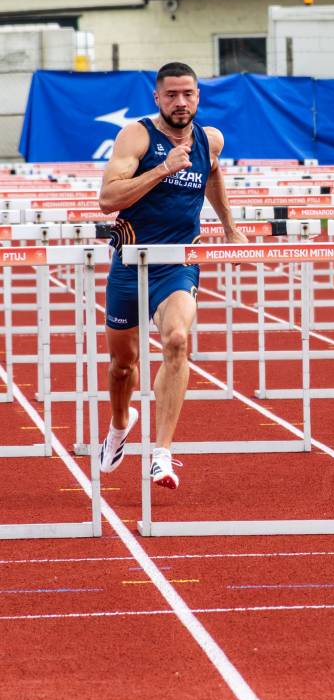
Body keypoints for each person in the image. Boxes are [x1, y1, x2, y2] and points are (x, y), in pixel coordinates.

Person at [97, 62, 247, 488]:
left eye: (188, 94)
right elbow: (108, 199)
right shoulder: (137, 136)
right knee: (122, 365)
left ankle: (161, 453)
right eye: (172, 95)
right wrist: (163, 169)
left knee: (177, 339)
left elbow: (213, 173)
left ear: (198, 96)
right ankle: (120, 424)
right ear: (157, 98)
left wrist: (230, 228)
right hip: (130, 262)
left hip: (178, 263)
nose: (181, 102)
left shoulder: (210, 139)